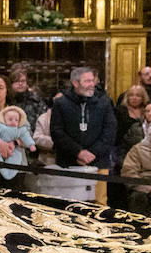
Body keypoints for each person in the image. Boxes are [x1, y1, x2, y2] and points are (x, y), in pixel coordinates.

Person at [50, 67, 117, 203]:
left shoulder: (104, 102)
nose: (92, 84)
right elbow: (57, 132)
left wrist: (92, 152)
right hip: (69, 161)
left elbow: (110, 131)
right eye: (87, 81)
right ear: (75, 83)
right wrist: (78, 152)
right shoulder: (61, 103)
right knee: (69, 205)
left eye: (92, 80)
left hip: (98, 162)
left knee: (99, 205)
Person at [0, 106, 37, 180]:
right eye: (10, 119)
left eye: (16, 120)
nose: (13, 122)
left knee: (17, 156)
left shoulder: (20, 129)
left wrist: (31, 144)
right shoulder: (0, 125)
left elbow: (27, 136)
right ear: (4, 119)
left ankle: (8, 174)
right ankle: (2, 169)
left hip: (14, 150)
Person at [9, 63, 48, 129]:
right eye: (16, 81)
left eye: (23, 81)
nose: (20, 84)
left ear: (27, 83)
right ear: (11, 84)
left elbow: (44, 123)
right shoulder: (7, 101)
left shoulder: (36, 101)